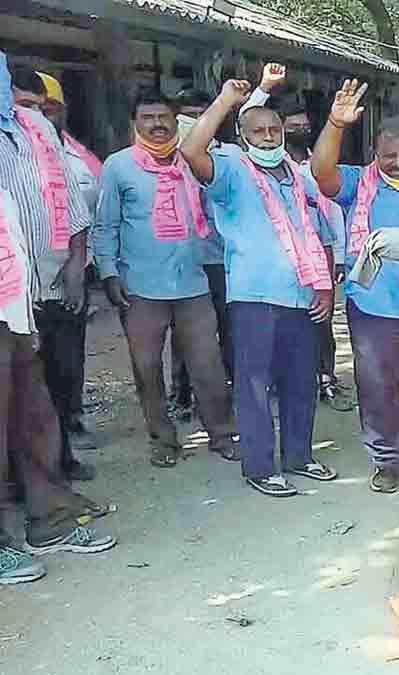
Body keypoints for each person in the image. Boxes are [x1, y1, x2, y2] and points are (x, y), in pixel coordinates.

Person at [180, 79, 338, 497]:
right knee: (254, 385)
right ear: (243, 136)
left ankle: (300, 457)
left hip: (303, 295)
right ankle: (260, 467)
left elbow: (315, 231)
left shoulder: (297, 175)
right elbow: (192, 151)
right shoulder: (232, 170)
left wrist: (323, 288)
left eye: (274, 130)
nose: (268, 136)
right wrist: (224, 102)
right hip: (255, 298)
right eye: (258, 131)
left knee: (301, 381)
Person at [0, 63, 115, 583]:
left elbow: (69, 204)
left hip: (22, 296)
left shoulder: (35, 130)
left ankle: (47, 519)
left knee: (35, 412)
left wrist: (74, 263)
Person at [309, 79, 399, 493]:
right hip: (374, 309)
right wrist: (336, 123)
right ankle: (385, 459)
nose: (398, 164)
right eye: (389, 156)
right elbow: (321, 172)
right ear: (376, 155)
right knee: (378, 388)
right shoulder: (357, 186)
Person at [93, 89, 239, 469]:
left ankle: (221, 435)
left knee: (208, 364)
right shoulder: (118, 166)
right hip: (140, 286)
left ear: (176, 122)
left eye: (164, 118)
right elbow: (105, 225)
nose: (157, 125)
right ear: (135, 123)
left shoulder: (193, 161)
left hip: (193, 282)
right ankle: (164, 440)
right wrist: (108, 272)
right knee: (147, 367)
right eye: (148, 118)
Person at [0, 59, 94, 481]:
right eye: (22, 104)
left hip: (54, 287)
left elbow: (75, 207)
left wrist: (77, 265)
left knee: (58, 381)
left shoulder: (43, 137)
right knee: (16, 395)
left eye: (42, 107)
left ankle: (59, 466)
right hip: (8, 298)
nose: (35, 114)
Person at [248, 64, 354, 412]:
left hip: (318, 262)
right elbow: (248, 120)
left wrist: (337, 256)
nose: (298, 128)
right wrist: (263, 88)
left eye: (303, 124)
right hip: (274, 271)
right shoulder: (253, 166)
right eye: (290, 123)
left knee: (321, 325)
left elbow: (330, 215)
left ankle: (326, 379)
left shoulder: (315, 167)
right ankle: (283, 386)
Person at [34, 72, 101, 453]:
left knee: (68, 361)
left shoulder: (78, 157)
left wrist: (81, 267)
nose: (44, 116)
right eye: (34, 108)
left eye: (51, 108)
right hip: (24, 282)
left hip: (73, 274)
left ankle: (68, 430)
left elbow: (90, 210)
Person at [167, 87, 236, 420]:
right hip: (186, 260)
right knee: (185, 332)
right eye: (186, 115)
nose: (193, 121)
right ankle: (181, 395)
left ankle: (228, 391)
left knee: (227, 327)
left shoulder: (225, 157)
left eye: (200, 114)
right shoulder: (166, 159)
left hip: (223, 260)